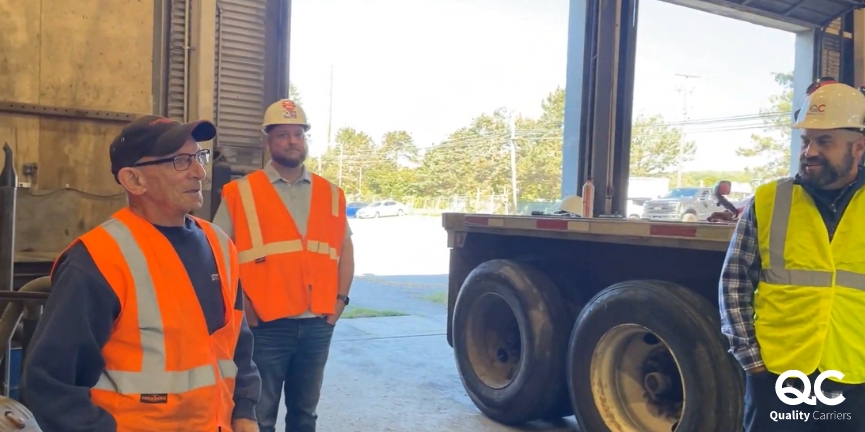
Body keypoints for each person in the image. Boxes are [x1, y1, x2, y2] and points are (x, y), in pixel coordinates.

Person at [21, 115, 262, 432]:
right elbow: (49, 383)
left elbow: (236, 347)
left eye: (198, 156)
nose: (200, 172)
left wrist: (245, 410)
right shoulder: (98, 260)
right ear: (134, 180)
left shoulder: (220, 246)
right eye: (180, 161)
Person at [719, 77, 865, 432]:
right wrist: (752, 363)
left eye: (825, 141)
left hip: (853, 375)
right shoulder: (771, 200)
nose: (810, 152)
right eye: (806, 140)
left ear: (858, 147)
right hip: (778, 375)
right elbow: (735, 282)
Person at [212, 99, 354, 432]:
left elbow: (344, 249)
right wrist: (242, 306)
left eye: (298, 134)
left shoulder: (331, 193)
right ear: (268, 141)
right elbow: (219, 254)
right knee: (259, 416)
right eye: (283, 135)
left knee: (305, 414)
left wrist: (339, 302)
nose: (292, 141)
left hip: (318, 323)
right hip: (266, 326)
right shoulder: (240, 193)